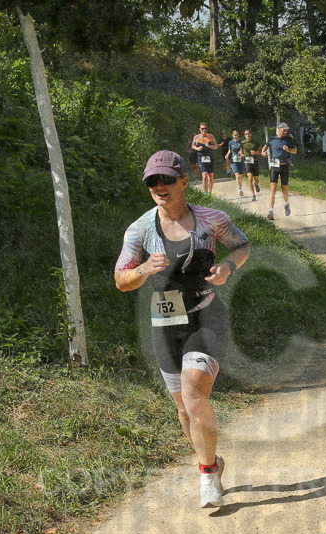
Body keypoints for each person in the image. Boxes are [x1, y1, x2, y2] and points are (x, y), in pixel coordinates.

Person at [114, 151, 250, 508]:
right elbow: (120, 280)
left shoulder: (212, 220)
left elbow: (242, 245)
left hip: (206, 315)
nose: (160, 187)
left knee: (193, 392)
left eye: (167, 180)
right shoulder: (140, 229)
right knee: (184, 409)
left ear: (183, 182)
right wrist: (142, 269)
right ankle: (213, 463)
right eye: (152, 183)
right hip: (165, 324)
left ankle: (206, 476)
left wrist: (227, 267)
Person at [261, 122, 297, 220]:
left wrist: (288, 150)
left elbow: (295, 150)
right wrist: (263, 153)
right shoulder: (272, 139)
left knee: (284, 188)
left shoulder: (288, 139)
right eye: (284, 130)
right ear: (279, 129)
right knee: (273, 188)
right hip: (274, 166)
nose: (286, 132)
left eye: (286, 130)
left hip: (284, 166)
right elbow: (264, 148)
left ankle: (286, 204)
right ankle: (270, 211)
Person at [189, 123, 220, 194]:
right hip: (201, 158)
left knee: (211, 177)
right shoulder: (197, 137)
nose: (204, 130)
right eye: (202, 129)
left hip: (210, 158)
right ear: (200, 129)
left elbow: (216, 146)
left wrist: (209, 146)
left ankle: (210, 193)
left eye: (205, 128)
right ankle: (205, 193)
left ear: (207, 129)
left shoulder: (211, 136)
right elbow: (193, 145)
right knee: (204, 175)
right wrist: (197, 148)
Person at [240, 129, 262, 201]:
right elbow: (240, 151)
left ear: (251, 134)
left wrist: (255, 153)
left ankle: (256, 184)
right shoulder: (242, 143)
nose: (247, 135)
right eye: (246, 134)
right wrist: (241, 154)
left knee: (256, 179)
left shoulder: (256, 142)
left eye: (248, 134)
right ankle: (253, 195)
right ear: (244, 135)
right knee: (249, 177)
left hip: (255, 161)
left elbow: (260, 151)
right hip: (247, 162)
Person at [223, 129, 245, 197]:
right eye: (235, 135)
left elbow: (242, 149)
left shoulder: (241, 142)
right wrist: (227, 155)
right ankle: (239, 189)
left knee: (240, 176)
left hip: (240, 160)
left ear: (239, 135)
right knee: (237, 175)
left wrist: (241, 153)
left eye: (237, 135)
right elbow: (230, 150)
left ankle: (239, 185)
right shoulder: (231, 143)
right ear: (232, 136)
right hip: (234, 161)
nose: (236, 136)